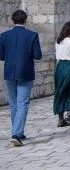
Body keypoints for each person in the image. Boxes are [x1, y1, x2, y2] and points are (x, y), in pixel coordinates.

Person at [0, 10, 42, 146]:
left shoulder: (4, 36)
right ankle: (16, 133)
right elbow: (38, 55)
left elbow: (1, 56)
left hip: (9, 72)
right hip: (26, 72)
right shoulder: (32, 35)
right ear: (25, 20)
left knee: (14, 104)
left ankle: (18, 131)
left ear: (13, 20)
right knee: (22, 103)